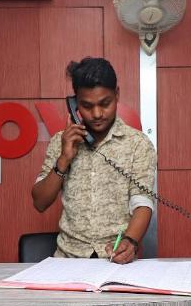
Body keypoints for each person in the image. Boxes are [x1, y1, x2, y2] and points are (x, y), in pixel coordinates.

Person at [31, 57, 156, 263]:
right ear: (74, 104)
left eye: (105, 103)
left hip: (116, 259)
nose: (97, 114)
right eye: (87, 106)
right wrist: (64, 158)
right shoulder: (60, 142)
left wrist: (131, 242)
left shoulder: (138, 144)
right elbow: (40, 202)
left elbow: (142, 202)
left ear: (116, 94)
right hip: (67, 261)